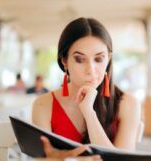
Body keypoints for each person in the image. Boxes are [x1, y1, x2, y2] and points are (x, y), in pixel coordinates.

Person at [32, 17, 141, 160]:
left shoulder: (128, 103)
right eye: (80, 59)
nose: (91, 70)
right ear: (65, 61)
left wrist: (89, 113)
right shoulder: (43, 104)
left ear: (108, 59)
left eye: (99, 59)